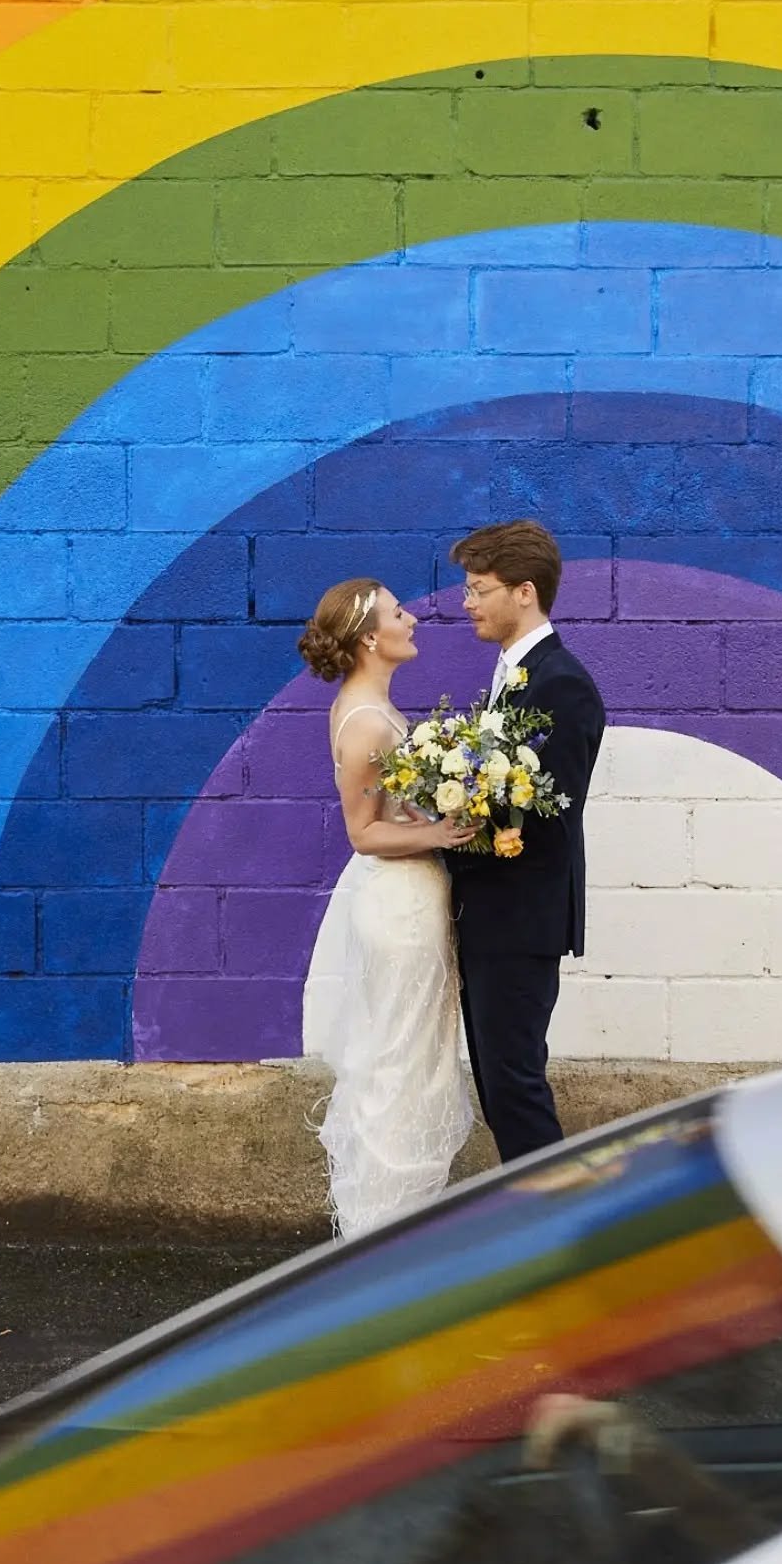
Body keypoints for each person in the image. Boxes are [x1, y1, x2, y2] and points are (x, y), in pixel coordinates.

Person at [297, 578, 475, 1239]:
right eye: (399, 613)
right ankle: (384, 1229)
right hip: (398, 907)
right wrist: (439, 832)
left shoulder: (371, 707)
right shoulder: (368, 722)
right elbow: (363, 832)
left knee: (409, 1062)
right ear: (372, 637)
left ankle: (400, 1223)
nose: (412, 618)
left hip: (410, 900)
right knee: (401, 1068)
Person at [447, 521, 606, 1163]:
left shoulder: (559, 683)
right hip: (492, 918)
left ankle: (567, 1232)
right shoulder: (512, 676)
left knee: (514, 1087)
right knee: (499, 1087)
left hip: (519, 922)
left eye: (478, 588)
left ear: (524, 592)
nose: (467, 602)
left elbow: (548, 819)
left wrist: (442, 833)